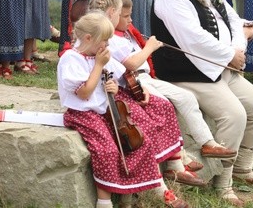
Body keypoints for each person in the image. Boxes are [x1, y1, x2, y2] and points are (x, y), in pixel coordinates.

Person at [152, 0, 253, 207]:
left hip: (218, 67)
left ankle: (242, 165)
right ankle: (223, 182)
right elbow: (192, 38)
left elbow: (232, 19)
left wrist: (237, 51)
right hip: (187, 72)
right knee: (234, 114)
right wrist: (229, 55)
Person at [90, 0, 227, 189]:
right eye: (124, 15)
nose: (129, 20)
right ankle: (175, 164)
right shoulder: (111, 38)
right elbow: (130, 65)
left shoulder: (119, 35)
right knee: (160, 107)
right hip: (125, 86)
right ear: (112, 13)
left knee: (176, 101)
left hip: (134, 81)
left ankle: (193, 151)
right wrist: (150, 47)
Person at [58, 11, 189, 208]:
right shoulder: (71, 58)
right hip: (84, 113)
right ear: (88, 38)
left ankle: (135, 192)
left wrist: (114, 86)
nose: (107, 46)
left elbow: (117, 78)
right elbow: (84, 93)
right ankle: (104, 201)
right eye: (104, 41)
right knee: (107, 150)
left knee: (139, 139)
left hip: (106, 109)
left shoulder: (99, 54)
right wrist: (98, 66)